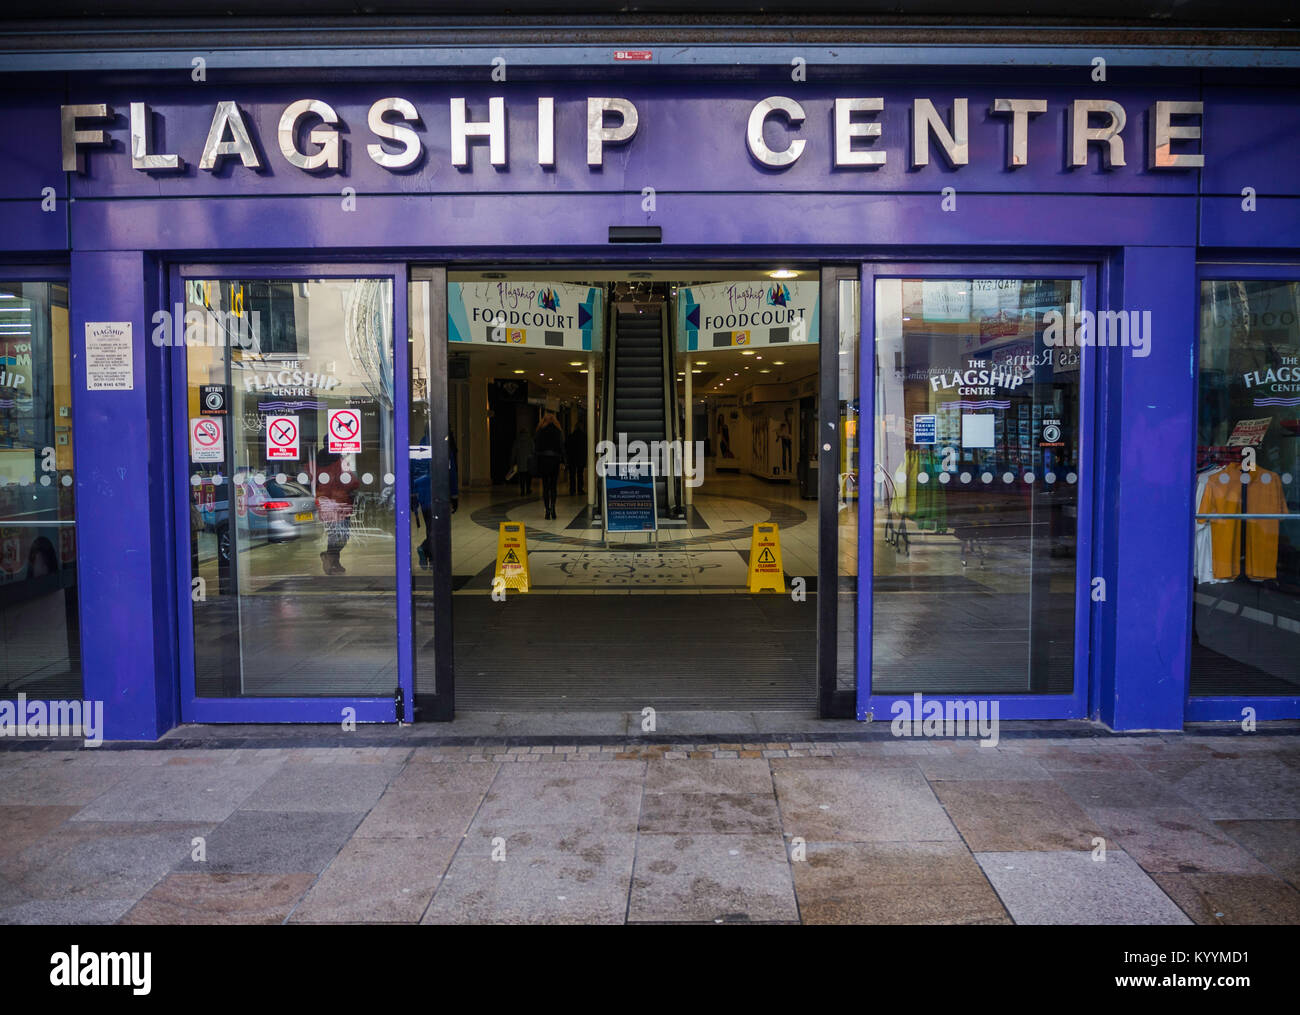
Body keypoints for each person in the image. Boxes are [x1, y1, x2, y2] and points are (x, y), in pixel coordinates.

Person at [315, 446, 359, 575]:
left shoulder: (316, 461)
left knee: (334, 535)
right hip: (339, 503)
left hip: (325, 503)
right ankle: (329, 557)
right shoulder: (339, 462)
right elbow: (352, 482)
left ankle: (335, 563)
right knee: (342, 535)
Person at [534, 412, 565, 520]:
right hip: (554, 460)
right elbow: (562, 446)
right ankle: (553, 508)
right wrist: (563, 461)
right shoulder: (558, 431)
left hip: (543, 460)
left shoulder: (540, 431)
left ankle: (547, 510)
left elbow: (536, 448)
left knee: (545, 486)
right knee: (553, 486)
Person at [509, 425, 535, 496]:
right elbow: (533, 450)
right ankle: (528, 489)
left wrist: (512, 462)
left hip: (520, 461)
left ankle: (522, 490)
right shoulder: (530, 440)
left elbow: (514, 452)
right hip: (528, 461)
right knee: (528, 476)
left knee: (522, 477)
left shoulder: (517, 441)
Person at [566, 421, 586, 496]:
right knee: (580, 474)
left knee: (572, 475)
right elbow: (585, 449)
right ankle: (580, 489)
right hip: (580, 458)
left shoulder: (571, 436)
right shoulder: (584, 437)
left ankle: (572, 490)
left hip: (572, 458)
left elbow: (567, 448)